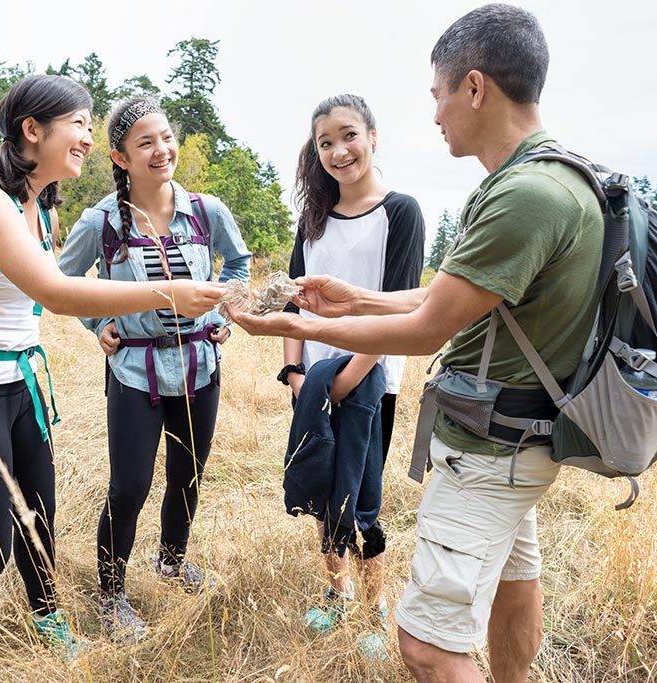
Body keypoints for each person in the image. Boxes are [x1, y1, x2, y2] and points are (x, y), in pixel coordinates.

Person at [228, 5, 604, 681]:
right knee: (515, 578)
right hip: (518, 436)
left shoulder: (523, 196)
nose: (434, 114)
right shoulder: (547, 177)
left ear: (475, 87)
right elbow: (445, 298)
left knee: (428, 646)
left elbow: (431, 326)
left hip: (493, 445)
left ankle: (371, 601)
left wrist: (299, 326)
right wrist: (355, 300)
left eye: (437, 94)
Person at [0, 76, 225, 683]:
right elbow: (56, 291)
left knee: (39, 518)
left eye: (89, 125)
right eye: (78, 124)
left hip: (21, 385)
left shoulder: (40, 204)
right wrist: (169, 293)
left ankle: (48, 618)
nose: (87, 136)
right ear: (33, 131)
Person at [58, 97, 252, 643]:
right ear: (120, 157)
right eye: (145, 142)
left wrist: (222, 312)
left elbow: (238, 263)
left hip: (199, 364)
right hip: (135, 370)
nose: (162, 150)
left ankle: (171, 561)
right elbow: (64, 283)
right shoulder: (100, 220)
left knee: (187, 474)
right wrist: (98, 326)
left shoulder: (206, 211)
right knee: (130, 486)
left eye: (165, 137)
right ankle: (111, 594)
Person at [278, 94, 423, 658]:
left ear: (373, 136)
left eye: (348, 136)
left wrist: (349, 376)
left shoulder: (401, 211)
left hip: (372, 380)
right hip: (312, 381)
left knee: (362, 494)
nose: (338, 151)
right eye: (325, 143)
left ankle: (373, 606)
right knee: (321, 484)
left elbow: (399, 308)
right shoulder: (312, 218)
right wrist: (295, 370)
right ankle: (337, 591)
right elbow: (294, 302)